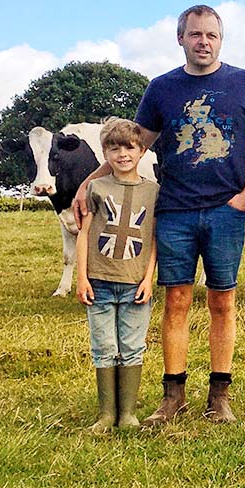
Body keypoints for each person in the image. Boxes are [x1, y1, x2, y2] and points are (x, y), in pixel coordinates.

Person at [75, 4, 245, 425]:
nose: (204, 42)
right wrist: (87, 182)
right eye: (196, 34)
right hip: (175, 210)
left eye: (212, 35)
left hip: (225, 210)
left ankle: (219, 396)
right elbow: (134, 146)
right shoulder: (161, 88)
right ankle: (173, 396)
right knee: (176, 301)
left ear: (221, 39)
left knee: (223, 302)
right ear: (181, 38)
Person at [76, 119, 159, 432]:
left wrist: (148, 278)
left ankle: (128, 415)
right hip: (99, 281)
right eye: (114, 148)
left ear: (140, 151)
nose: (122, 154)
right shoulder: (96, 188)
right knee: (104, 347)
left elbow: (153, 239)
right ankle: (106, 415)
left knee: (132, 346)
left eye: (129, 147)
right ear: (104, 153)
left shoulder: (153, 192)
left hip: (135, 282)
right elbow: (84, 234)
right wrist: (81, 277)